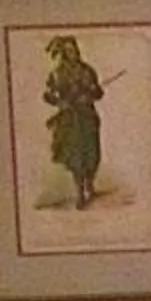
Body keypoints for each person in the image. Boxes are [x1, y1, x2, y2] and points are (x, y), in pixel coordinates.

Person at [43, 35, 104, 208]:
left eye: (75, 50)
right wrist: (60, 102)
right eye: (69, 51)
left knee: (92, 154)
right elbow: (48, 94)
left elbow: (98, 93)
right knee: (75, 156)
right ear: (64, 53)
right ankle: (79, 192)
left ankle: (89, 183)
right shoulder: (57, 74)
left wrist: (92, 92)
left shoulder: (87, 71)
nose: (74, 53)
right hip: (70, 120)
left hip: (87, 117)